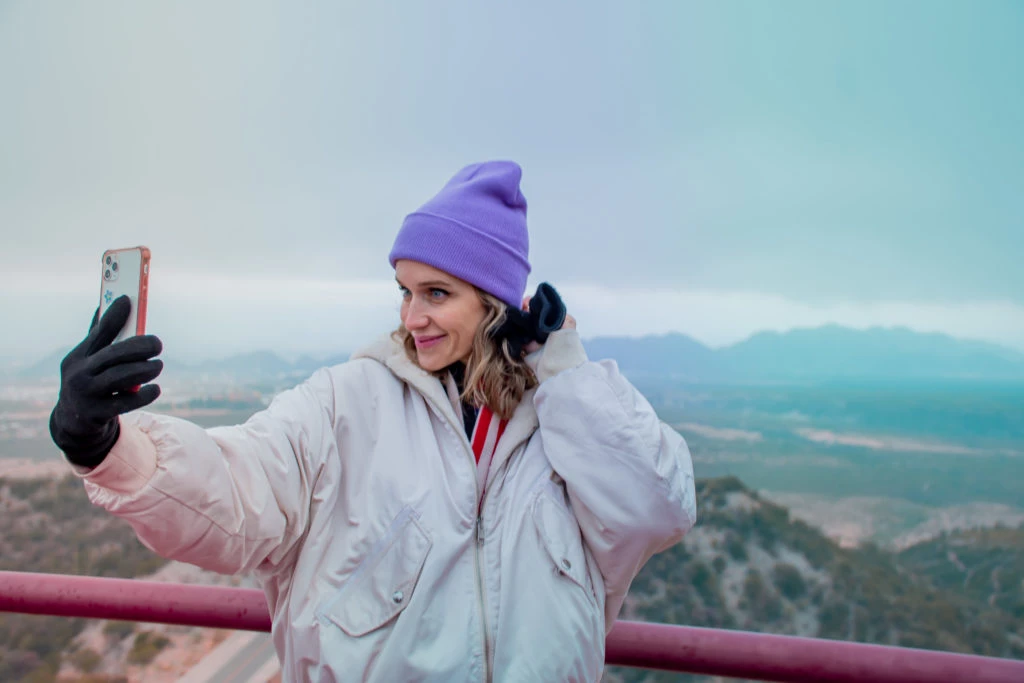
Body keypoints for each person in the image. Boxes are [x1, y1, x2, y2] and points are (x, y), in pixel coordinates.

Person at [49, 160, 697, 682]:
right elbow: (236, 493)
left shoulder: (565, 425)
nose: (413, 316)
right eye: (405, 290)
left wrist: (563, 366)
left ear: (496, 301)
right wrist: (104, 444)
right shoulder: (347, 403)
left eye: (437, 293)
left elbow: (660, 508)